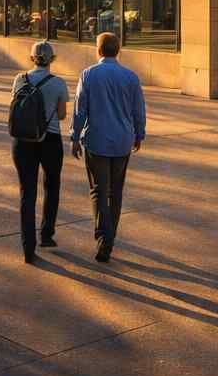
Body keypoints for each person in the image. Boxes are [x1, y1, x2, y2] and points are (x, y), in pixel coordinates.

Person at [70, 31, 146, 264]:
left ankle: (105, 237)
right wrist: (139, 134)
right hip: (122, 141)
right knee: (116, 191)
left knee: (98, 190)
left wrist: (74, 136)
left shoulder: (89, 75)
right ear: (118, 50)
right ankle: (109, 235)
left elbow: (80, 109)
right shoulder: (130, 77)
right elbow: (138, 110)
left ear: (99, 50)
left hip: (97, 140)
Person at [12, 40, 69, 264]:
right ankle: (47, 234)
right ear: (52, 59)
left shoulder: (19, 79)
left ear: (32, 58)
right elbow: (62, 115)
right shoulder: (58, 83)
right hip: (50, 140)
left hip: (22, 140)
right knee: (51, 186)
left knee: (27, 193)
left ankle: (28, 247)